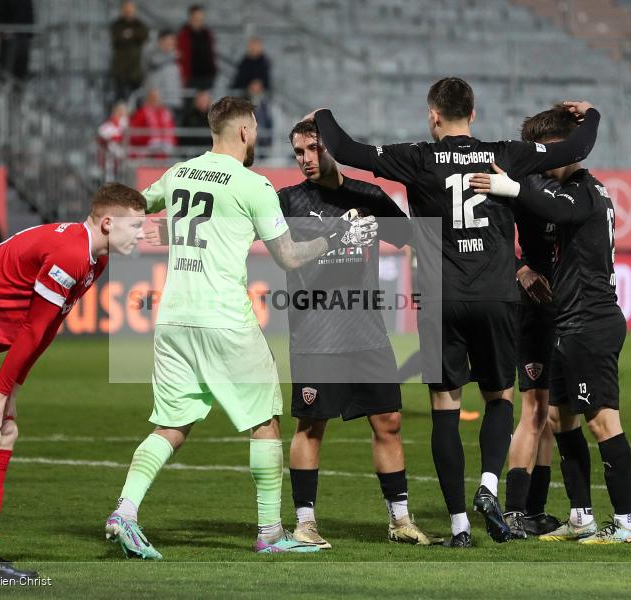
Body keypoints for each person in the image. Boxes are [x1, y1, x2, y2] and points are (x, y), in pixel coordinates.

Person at [309, 77, 599, 547]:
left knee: (445, 408)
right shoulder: (504, 153)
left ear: (433, 115)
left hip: (440, 297)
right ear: (474, 113)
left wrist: (321, 115)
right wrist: (591, 113)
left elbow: (344, 148)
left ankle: (460, 527)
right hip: (496, 294)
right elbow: (579, 145)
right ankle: (489, 485)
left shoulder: (417, 157)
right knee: (499, 398)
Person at [104, 96, 378, 558]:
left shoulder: (179, 173)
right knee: (265, 420)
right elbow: (288, 256)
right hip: (224, 318)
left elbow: (134, 205)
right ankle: (271, 533)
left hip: (172, 318)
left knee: (171, 424)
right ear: (245, 132)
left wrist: (113, 222)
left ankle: (125, 511)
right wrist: (334, 235)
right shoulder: (253, 186)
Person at [0, 183, 147, 583]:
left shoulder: (93, 258)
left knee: (6, 430)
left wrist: (11, 387)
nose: (141, 234)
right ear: (108, 223)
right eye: (136, 225)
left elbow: (49, 327)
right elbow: (33, 329)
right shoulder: (71, 254)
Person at [471, 103, 631, 544]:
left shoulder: (583, 190)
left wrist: (510, 186)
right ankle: (581, 516)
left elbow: (560, 212)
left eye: (548, 153)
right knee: (560, 418)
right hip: (570, 323)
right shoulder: (571, 189)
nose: (543, 162)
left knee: (603, 421)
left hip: (591, 321)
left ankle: (626, 524)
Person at [279, 119, 442, 550]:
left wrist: (380, 224)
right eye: (298, 152)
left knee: (388, 422)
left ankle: (401, 520)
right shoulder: (289, 201)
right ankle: (305, 523)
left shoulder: (367, 195)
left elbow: (408, 235)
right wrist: (338, 235)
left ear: (331, 146)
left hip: (368, 332)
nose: (306, 159)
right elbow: (280, 255)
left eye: (313, 148)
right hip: (315, 335)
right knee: (310, 426)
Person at [500, 169, 562, 539]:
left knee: (550, 416)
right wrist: (520, 268)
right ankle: (513, 512)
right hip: (534, 306)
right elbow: (490, 236)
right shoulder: (523, 188)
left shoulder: (568, 190)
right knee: (534, 411)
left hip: (562, 307)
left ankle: (535, 511)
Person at [109, 0, 148, 104]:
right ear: (122, 10)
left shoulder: (140, 25)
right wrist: (132, 35)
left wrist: (128, 35)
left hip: (135, 70)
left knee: (137, 99)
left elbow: (143, 35)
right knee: (120, 99)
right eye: (126, 9)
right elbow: (117, 37)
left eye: (130, 9)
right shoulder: (117, 25)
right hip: (120, 70)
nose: (128, 11)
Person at [142, 29, 182, 116]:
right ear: (160, 41)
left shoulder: (175, 58)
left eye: (173, 41)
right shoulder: (152, 55)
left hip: (173, 101)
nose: (171, 44)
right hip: (156, 102)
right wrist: (171, 56)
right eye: (168, 41)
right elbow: (154, 62)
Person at [128, 88, 175, 160]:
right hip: (147, 150)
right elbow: (135, 131)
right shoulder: (142, 113)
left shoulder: (165, 113)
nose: (156, 100)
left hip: (165, 149)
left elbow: (172, 131)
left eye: (157, 98)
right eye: (153, 98)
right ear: (148, 99)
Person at [0, 0, 33, 81]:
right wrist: (4, 29)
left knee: (21, 64)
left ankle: (19, 85)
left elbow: (29, 13)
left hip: (24, 34)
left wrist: (30, 33)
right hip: (9, 37)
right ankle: (5, 85)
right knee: (7, 66)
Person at [176, 4, 216, 90]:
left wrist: (213, 72)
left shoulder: (207, 33)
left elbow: (211, 53)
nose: (199, 19)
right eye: (196, 17)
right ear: (190, 17)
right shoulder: (184, 34)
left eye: (201, 17)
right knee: (190, 102)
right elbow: (180, 56)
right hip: (191, 78)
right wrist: (183, 76)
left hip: (207, 77)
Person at [97, 101, 128, 177]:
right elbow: (102, 136)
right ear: (115, 113)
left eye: (123, 113)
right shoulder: (107, 126)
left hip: (124, 160)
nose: (121, 115)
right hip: (110, 161)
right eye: (120, 112)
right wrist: (118, 138)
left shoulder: (127, 124)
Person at [245, 79, 272, 156]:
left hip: (262, 134)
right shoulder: (245, 102)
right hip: (250, 132)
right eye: (255, 87)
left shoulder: (265, 103)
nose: (257, 89)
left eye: (259, 87)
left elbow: (267, 120)